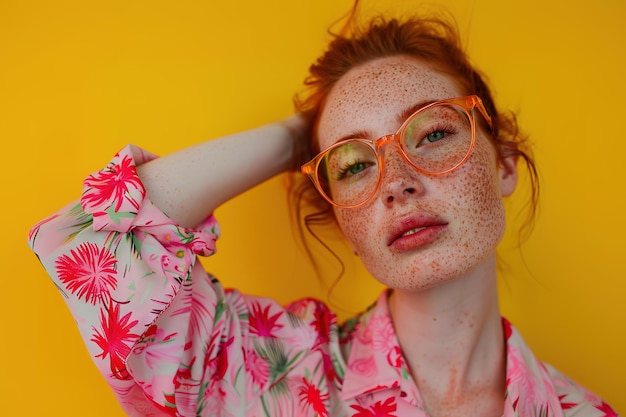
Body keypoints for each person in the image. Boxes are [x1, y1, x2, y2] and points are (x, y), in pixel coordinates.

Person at [28, 3, 618, 417]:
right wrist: (300, 141)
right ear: (342, 216)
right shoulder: (263, 372)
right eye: (356, 165)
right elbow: (91, 238)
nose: (397, 183)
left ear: (505, 165)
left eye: (434, 133)